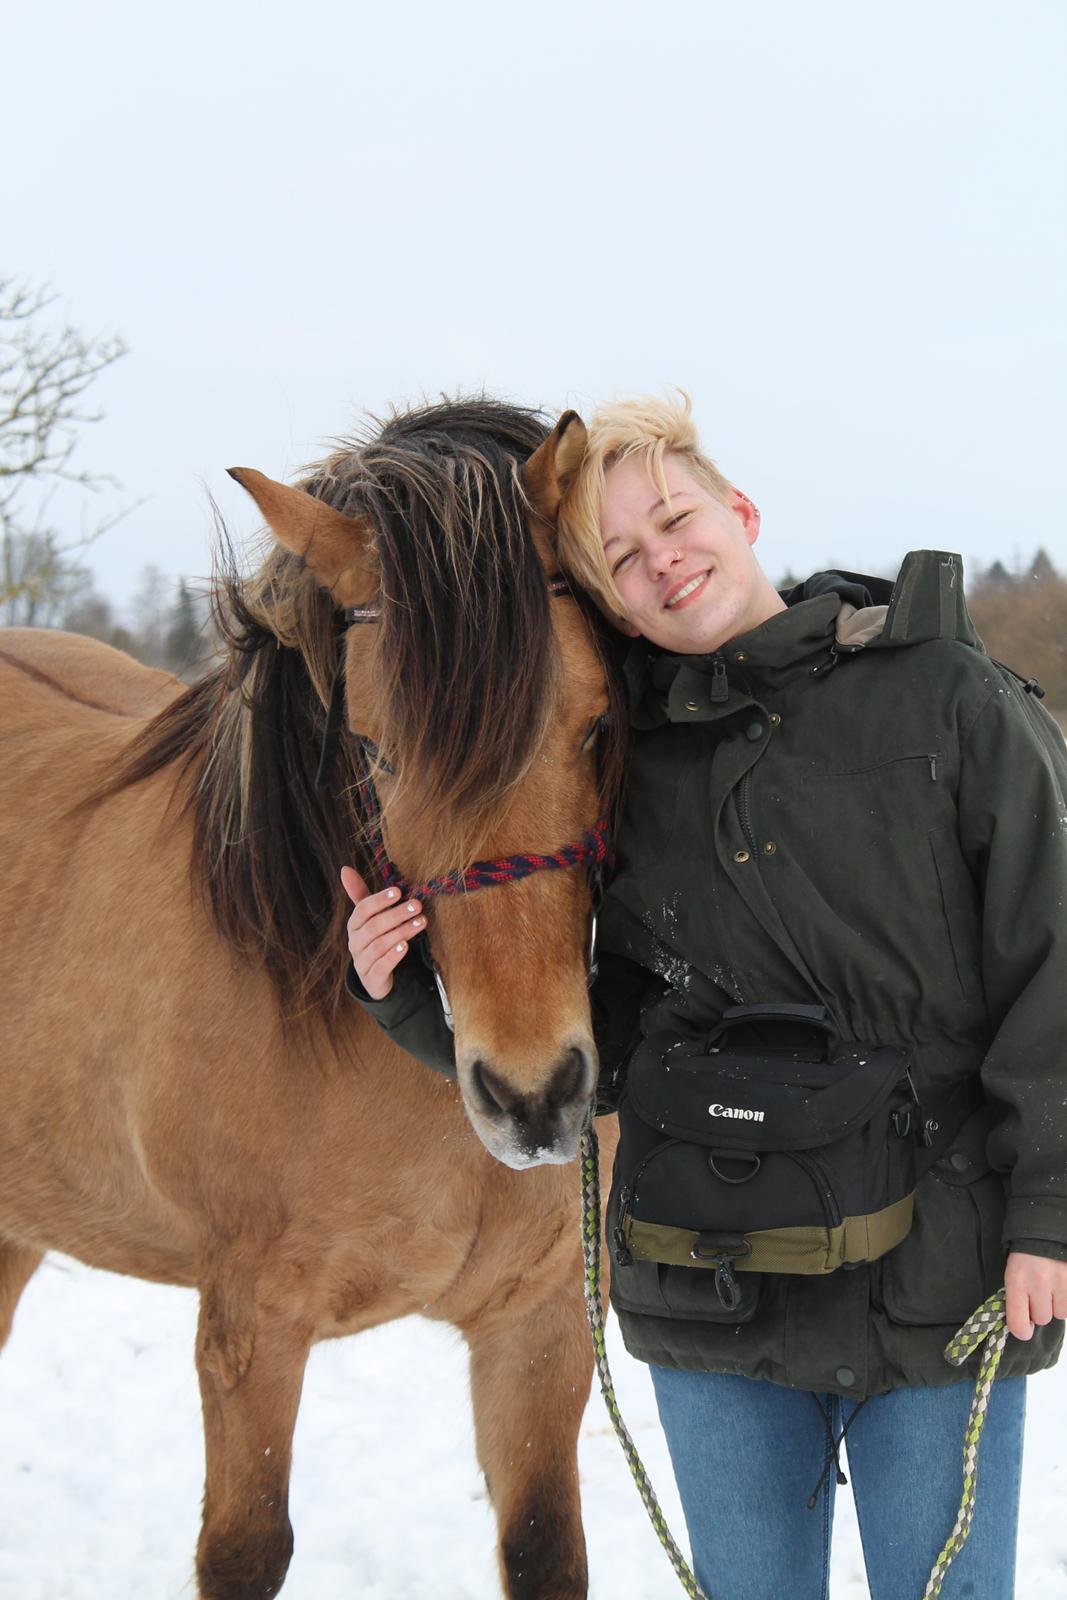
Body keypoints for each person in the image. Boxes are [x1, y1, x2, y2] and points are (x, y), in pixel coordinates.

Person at [342, 392, 1067, 1600]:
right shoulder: (623, 765)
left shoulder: (947, 698)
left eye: (673, 518)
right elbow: (614, 1045)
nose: (659, 560)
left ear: (738, 512)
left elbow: (1052, 957)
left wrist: (1047, 1208)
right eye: (620, 557)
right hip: (713, 1294)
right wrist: (401, 998)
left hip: (933, 1277)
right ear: (606, 599)